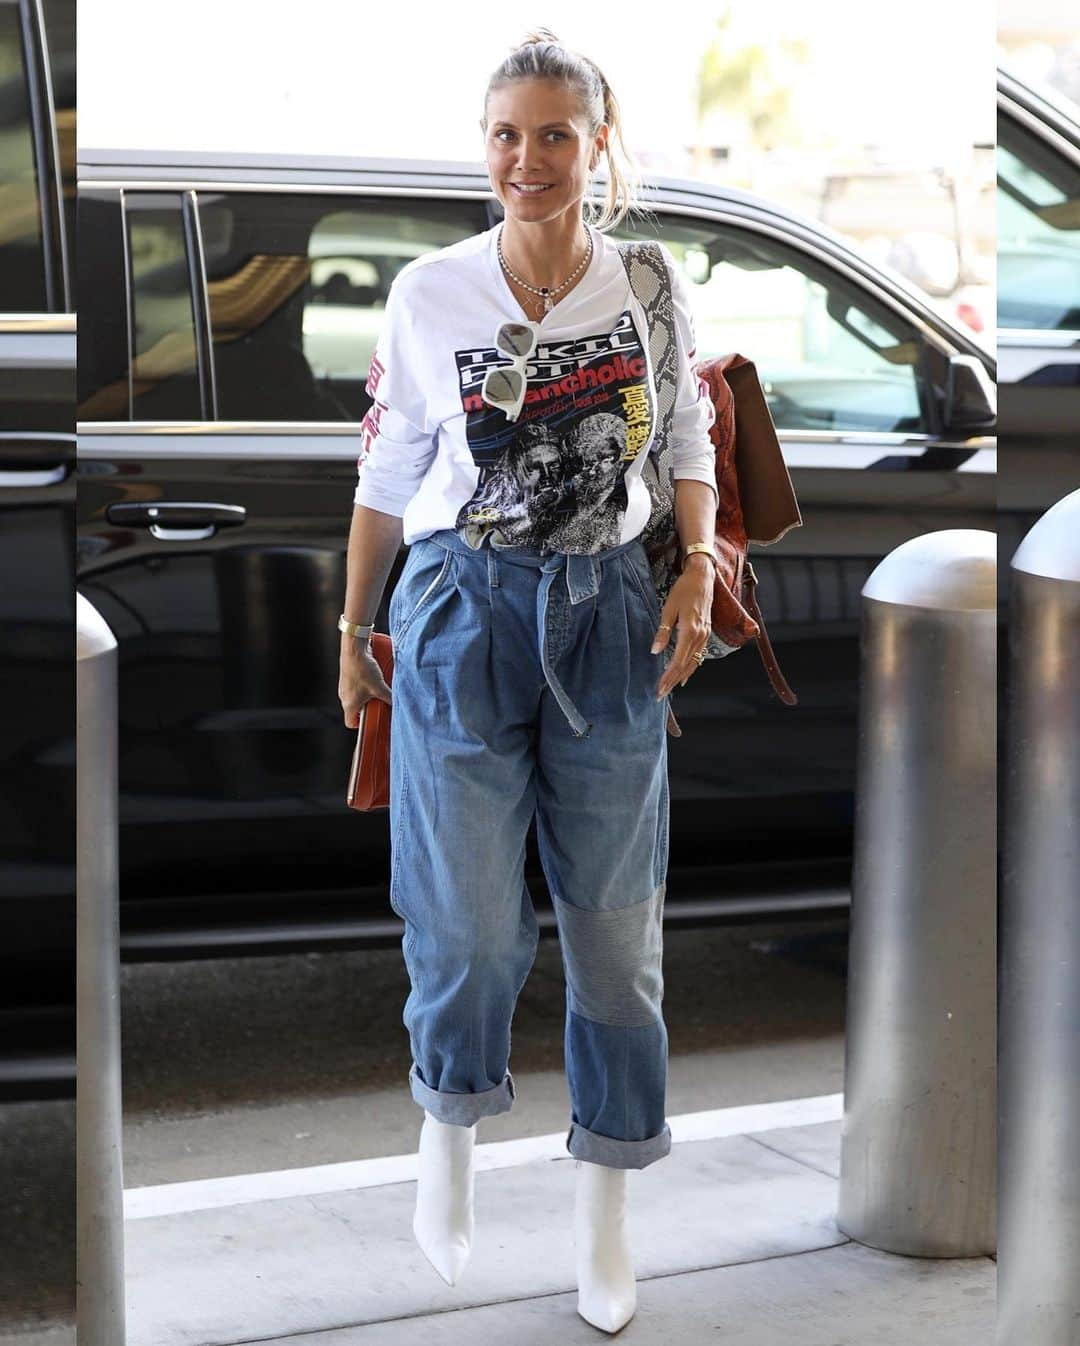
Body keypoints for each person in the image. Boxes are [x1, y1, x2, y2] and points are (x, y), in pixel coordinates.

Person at [337, 28, 720, 1335]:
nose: (527, 158)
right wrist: (354, 627)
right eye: (506, 133)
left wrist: (697, 556)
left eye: (555, 134)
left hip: (610, 613)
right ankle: (447, 1130)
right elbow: (388, 472)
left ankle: (603, 1206)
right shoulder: (433, 290)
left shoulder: (650, 284)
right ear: (484, 143)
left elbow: (686, 436)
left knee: (616, 937)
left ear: (597, 143)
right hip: (459, 610)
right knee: (465, 923)